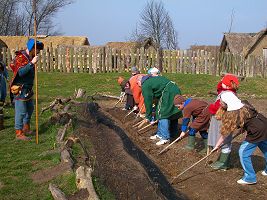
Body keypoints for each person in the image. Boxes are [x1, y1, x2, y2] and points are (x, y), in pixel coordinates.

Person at [214, 92, 267, 185]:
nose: (219, 103)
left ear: (226, 103)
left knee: (243, 152)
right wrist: (244, 127)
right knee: (265, 148)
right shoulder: (243, 103)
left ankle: (250, 177)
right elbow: (248, 118)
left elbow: (225, 133)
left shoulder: (232, 114)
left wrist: (217, 145)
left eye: (221, 101)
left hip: (256, 131)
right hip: (264, 123)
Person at [10, 38, 44, 140]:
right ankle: (18, 132)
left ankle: (26, 128)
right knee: (21, 111)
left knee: (30, 108)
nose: (38, 51)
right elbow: (20, 73)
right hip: (20, 88)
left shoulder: (30, 57)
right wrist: (31, 64)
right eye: (37, 49)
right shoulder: (21, 57)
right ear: (32, 48)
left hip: (28, 89)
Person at [208, 74, 239, 170]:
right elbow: (219, 89)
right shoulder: (226, 91)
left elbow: (217, 107)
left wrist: (210, 108)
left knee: (224, 140)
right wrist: (222, 81)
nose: (221, 83)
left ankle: (224, 163)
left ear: (228, 85)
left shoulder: (226, 95)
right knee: (222, 139)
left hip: (224, 119)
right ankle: (222, 161)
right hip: (221, 118)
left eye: (223, 82)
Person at [142, 75, 182, 145]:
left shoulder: (145, 85)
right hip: (175, 90)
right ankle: (171, 134)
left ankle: (164, 137)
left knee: (162, 113)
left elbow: (148, 101)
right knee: (173, 111)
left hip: (168, 92)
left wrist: (148, 116)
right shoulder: (154, 81)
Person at [0, 60, 8, 130]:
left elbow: (5, 71)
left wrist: (8, 78)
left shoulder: (2, 62)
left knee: (1, 101)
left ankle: (1, 123)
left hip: (2, 84)